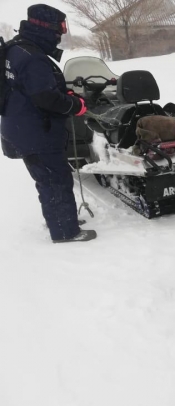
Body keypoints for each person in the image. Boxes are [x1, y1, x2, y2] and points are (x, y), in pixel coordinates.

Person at [1, 4, 97, 243]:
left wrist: (65, 95)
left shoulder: (18, 49)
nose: (60, 34)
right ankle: (66, 231)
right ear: (46, 27)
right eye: (60, 28)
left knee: (47, 180)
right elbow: (45, 96)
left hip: (24, 128)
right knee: (56, 180)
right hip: (36, 131)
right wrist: (75, 105)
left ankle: (58, 219)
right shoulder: (33, 56)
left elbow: (35, 89)